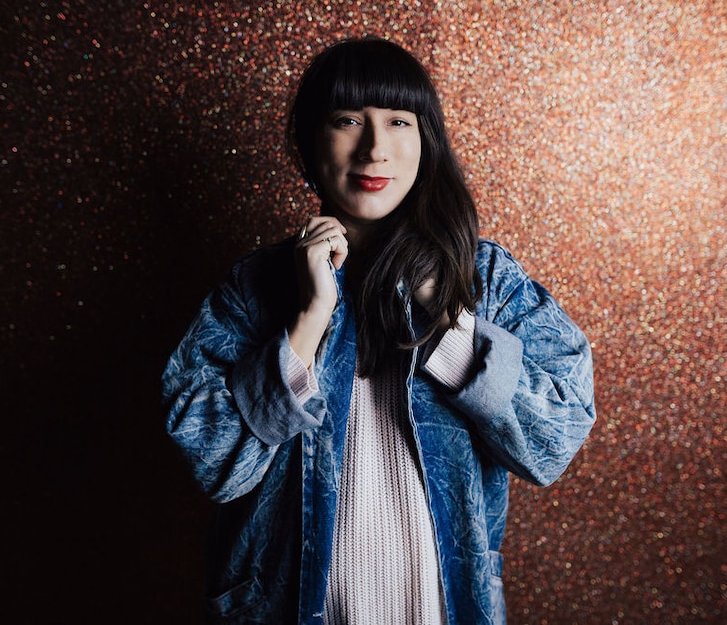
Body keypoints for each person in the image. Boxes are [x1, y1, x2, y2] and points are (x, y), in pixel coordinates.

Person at [163, 37, 595, 625]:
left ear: (426, 141)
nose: (374, 149)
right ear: (311, 142)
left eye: (398, 121)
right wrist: (309, 320)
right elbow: (213, 459)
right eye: (347, 121)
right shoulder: (257, 285)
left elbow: (556, 438)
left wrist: (443, 320)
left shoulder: (484, 278)